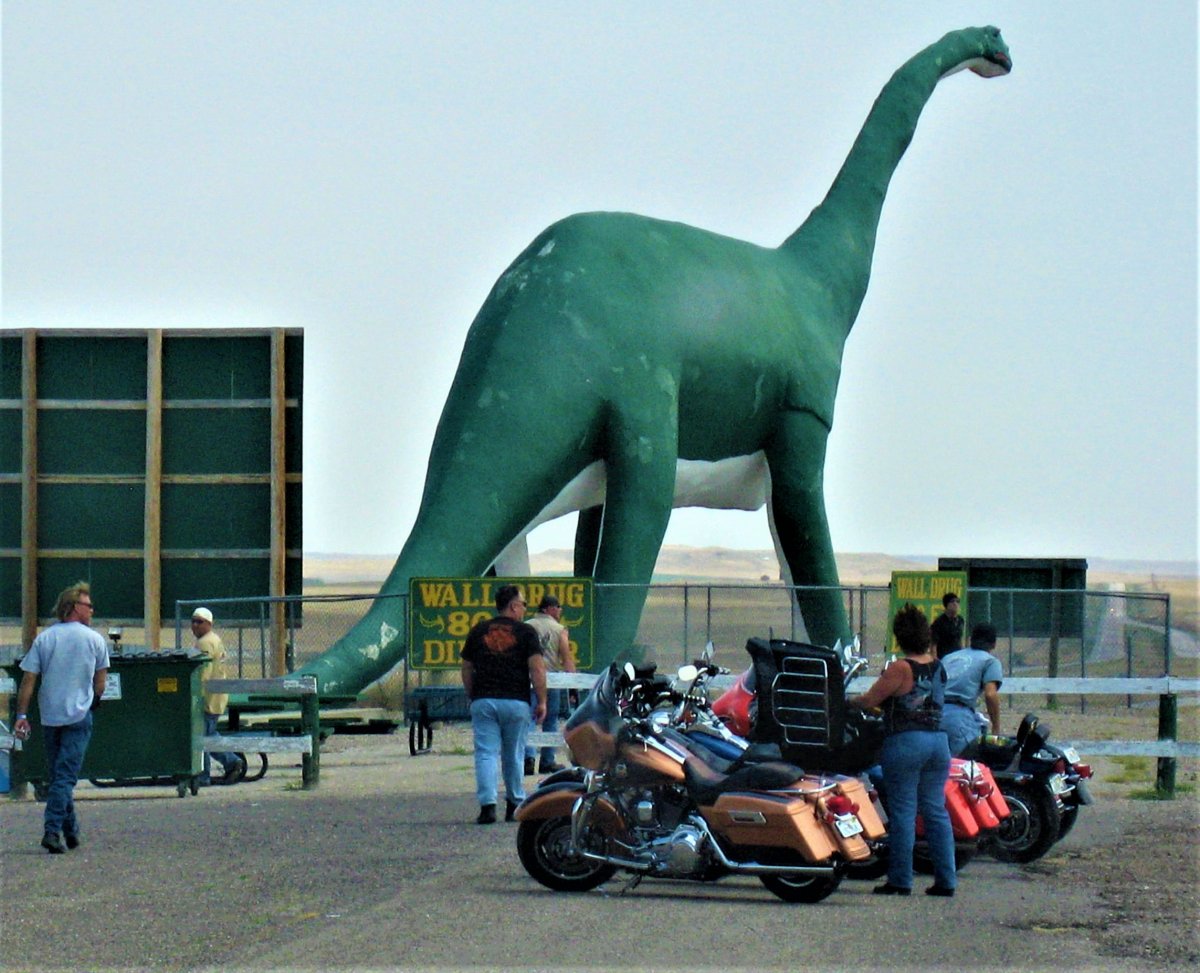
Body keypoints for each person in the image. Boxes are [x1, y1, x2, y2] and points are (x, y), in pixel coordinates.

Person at [849, 603, 956, 897]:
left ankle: (900, 880)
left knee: (903, 812)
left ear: (900, 637)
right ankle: (946, 880)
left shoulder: (900, 668)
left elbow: (871, 699)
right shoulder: (938, 666)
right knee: (935, 810)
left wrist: (846, 702)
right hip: (938, 742)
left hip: (906, 742)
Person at [13, 582, 110, 854]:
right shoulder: (95, 640)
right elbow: (100, 683)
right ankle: (52, 830)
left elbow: (28, 680)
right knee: (65, 778)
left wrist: (22, 714)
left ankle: (72, 831)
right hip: (79, 716)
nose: (92, 610)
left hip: (50, 717)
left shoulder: (45, 639)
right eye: (88, 605)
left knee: (59, 775)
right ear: (73, 607)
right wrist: (95, 701)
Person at [460, 584, 547, 824]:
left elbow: (467, 667)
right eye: (524, 604)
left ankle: (488, 806)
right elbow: (537, 668)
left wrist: (473, 694)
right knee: (514, 754)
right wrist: (542, 700)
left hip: (484, 699)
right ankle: (514, 803)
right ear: (513, 605)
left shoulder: (478, 631)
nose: (524, 609)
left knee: (486, 753)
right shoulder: (526, 632)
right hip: (516, 700)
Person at [523, 594, 577, 774]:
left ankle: (528, 757)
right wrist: (573, 682)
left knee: (529, 717)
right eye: (559, 607)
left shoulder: (526, 626)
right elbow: (566, 657)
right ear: (550, 609)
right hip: (550, 679)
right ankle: (547, 760)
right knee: (550, 719)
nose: (560, 611)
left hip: (528, 677)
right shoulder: (559, 629)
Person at [192, 607, 245, 785]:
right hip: (218, 696)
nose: (194, 625)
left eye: (199, 622)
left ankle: (223, 764)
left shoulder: (204, 643)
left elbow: (203, 673)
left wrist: (196, 697)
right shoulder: (215, 639)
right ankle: (227, 762)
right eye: (193, 621)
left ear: (208, 623)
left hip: (208, 699)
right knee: (208, 734)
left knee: (203, 737)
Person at [939, 621, 1003, 756]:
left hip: (933, 714)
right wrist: (996, 728)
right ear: (993, 643)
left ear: (971, 639)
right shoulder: (990, 661)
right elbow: (990, 694)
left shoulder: (949, 658)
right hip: (958, 719)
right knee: (964, 769)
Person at [930, 591, 965, 657]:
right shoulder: (939, 622)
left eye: (957, 601)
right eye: (952, 601)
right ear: (946, 605)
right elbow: (933, 644)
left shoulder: (960, 620)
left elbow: (961, 639)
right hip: (944, 657)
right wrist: (935, 660)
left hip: (958, 657)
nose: (955, 604)